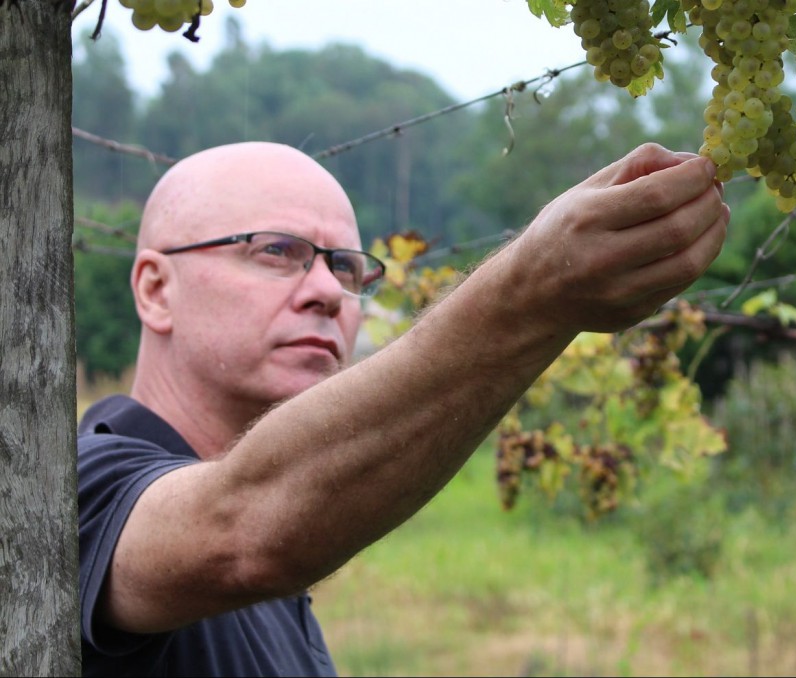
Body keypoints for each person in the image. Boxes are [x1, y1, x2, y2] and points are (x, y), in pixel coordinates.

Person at [77, 140, 729, 676]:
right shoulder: (77, 491)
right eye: (277, 251)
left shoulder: (283, 576)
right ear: (156, 290)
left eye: (348, 268)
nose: (329, 292)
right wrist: (533, 295)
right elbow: (245, 531)